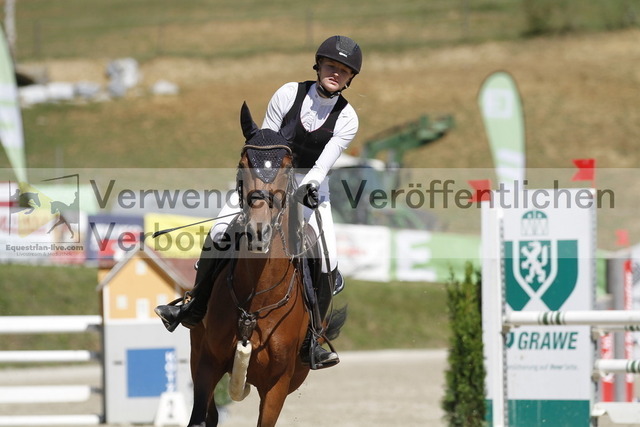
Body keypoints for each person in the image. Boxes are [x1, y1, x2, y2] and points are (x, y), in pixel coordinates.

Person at [155, 35, 362, 369]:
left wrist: (306, 188)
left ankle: (313, 339)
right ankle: (194, 305)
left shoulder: (347, 118)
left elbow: (323, 164)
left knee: (328, 260)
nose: (335, 73)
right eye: (330, 65)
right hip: (267, 179)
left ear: (350, 77)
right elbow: (265, 143)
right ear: (319, 65)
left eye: (343, 70)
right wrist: (265, 187)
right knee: (219, 231)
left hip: (310, 186)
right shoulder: (288, 93)